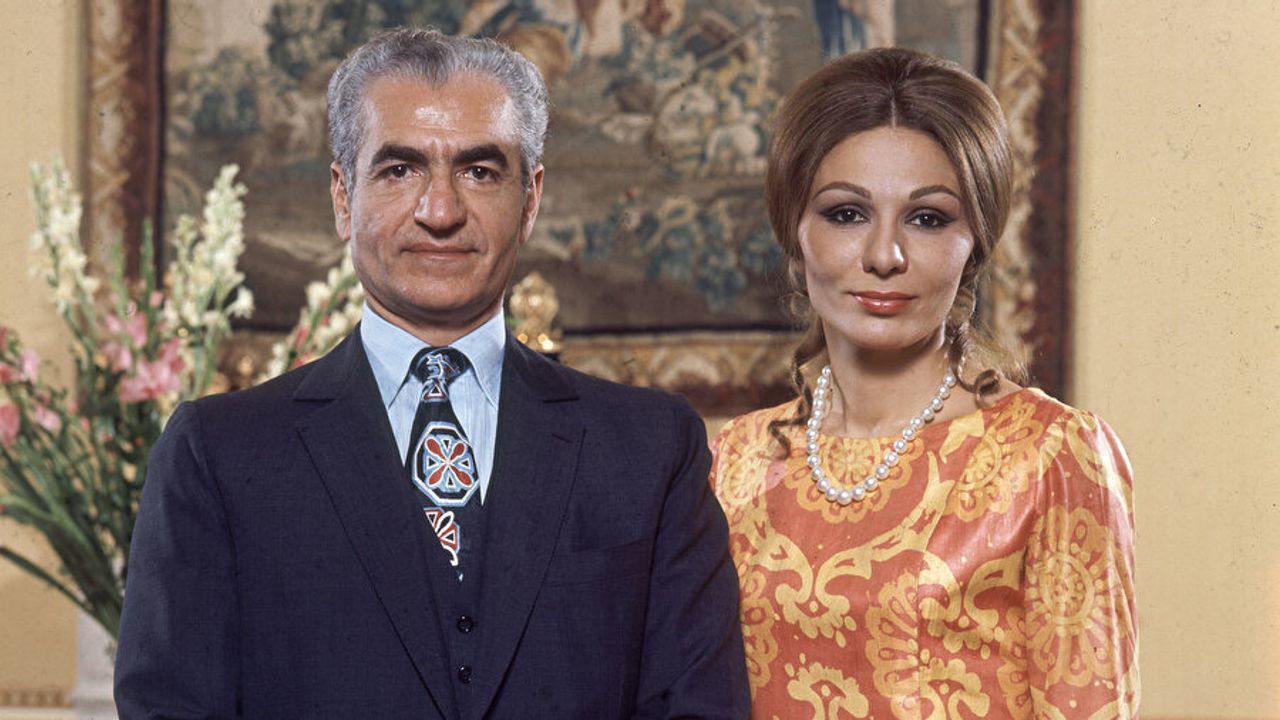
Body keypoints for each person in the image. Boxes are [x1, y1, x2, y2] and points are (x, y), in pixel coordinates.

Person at [115, 28, 749, 719]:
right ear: (342, 197)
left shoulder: (650, 448)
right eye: (399, 170)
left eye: (479, 172)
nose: (440, 211)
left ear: (531, 200)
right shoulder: (217, 454)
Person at [709, 47, 1138, 717]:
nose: (884, 255)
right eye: (846, 214)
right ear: (795, 232)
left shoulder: (1049, 457)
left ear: (976, 242)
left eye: (928, 218)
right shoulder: (732, 462)